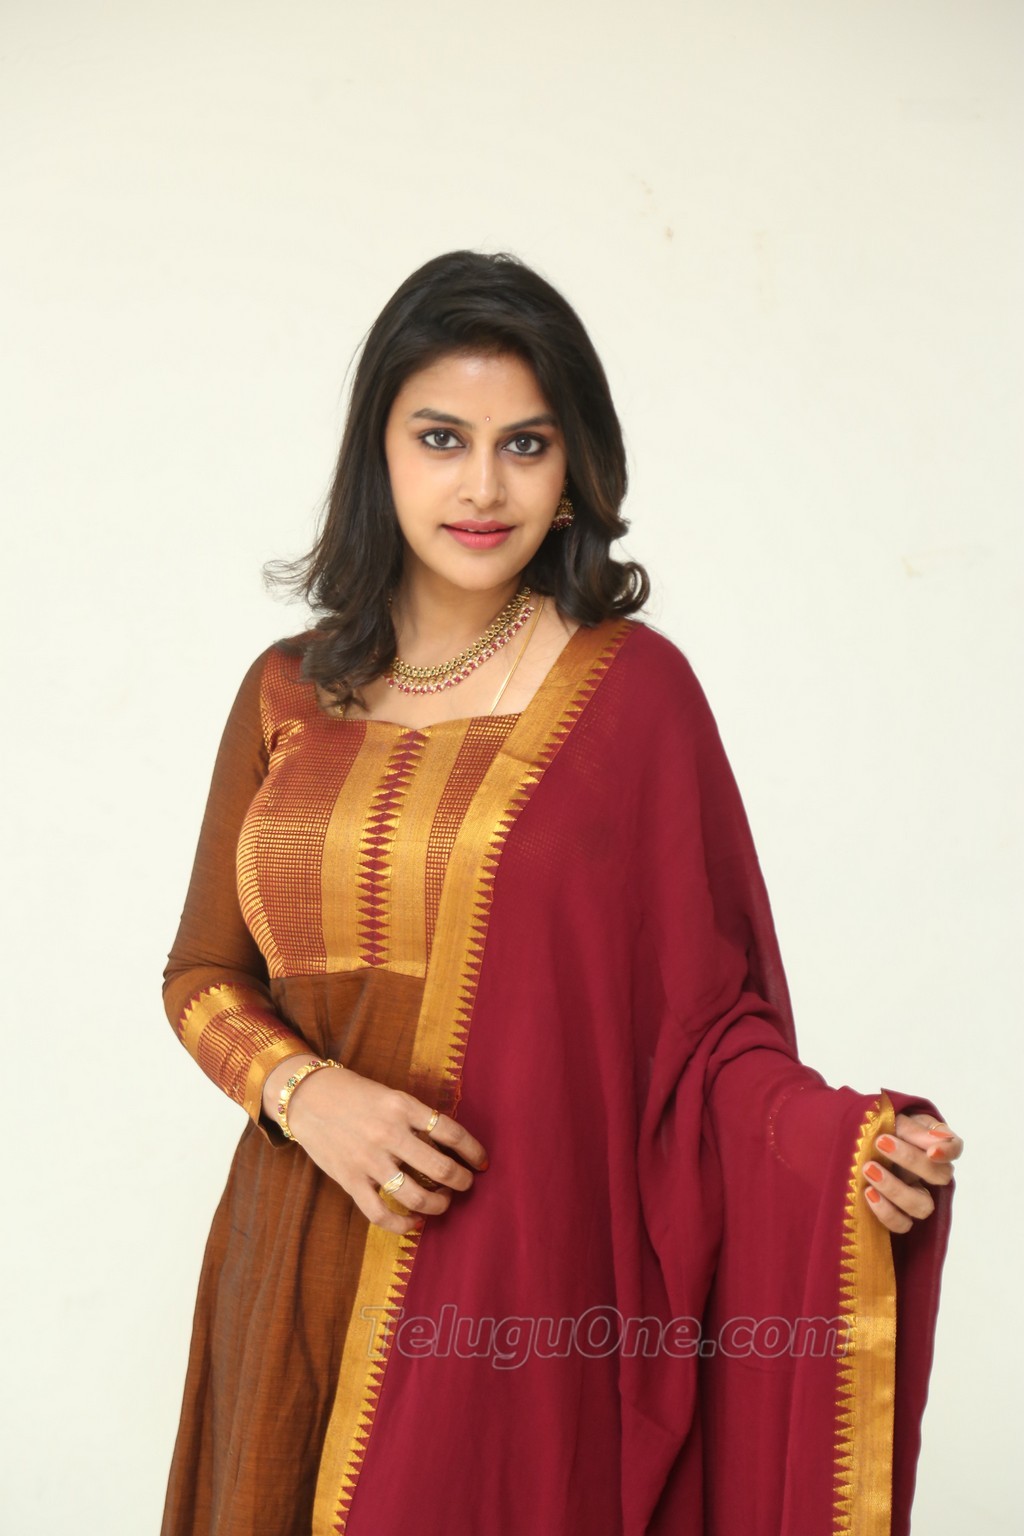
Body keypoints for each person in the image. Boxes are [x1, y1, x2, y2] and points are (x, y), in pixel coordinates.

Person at [161, 250, 959, 1536]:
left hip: (509, 1293)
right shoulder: (284, 692)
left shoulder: (632, 695)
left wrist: (844, 1153)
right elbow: (202, 975)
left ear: (575, 467)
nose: (483, 486)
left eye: (524, 444)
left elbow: (707, 1040)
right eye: (441, 438)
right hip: (290, 1259)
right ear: (377, 455)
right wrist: (310, 1097)